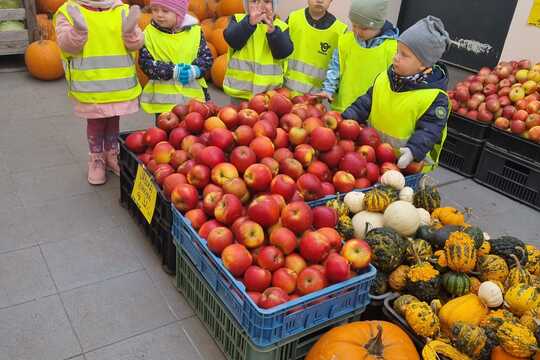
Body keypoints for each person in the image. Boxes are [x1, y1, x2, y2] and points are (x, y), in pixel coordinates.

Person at [342, 16, 452, 173]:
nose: (396, 57)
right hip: (375, 156)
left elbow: (430, 130)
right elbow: (366, 102)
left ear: (423, 64)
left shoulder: (434, 97)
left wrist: (413, 151)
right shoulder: (385, 78)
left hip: (407, 167)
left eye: (404, 55)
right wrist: (348, 116)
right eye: (397, 51)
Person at [55, 0, 143, 185]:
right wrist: (78, 31)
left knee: (113, 119)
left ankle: (111, 154)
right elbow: (66, 45)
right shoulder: (69, 11)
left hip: (118, 85)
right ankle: (96, 159)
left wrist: (130, 32)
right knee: (96, 122)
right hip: (91, 85)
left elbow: (136, 45)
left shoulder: (122, 11)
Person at [317, 0, 398, 112]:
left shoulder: (394, 49)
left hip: (371, 115)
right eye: (354, 25)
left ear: (379, 25)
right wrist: (327, 90)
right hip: (342, 110)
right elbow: (335, 68)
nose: (357, 32)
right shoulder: (346, 41)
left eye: (364, 28)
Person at [139, 0, 213, 118]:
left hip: (194, 100)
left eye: (165, 10)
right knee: (166, 134)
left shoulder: (195, 32)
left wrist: (196, 70)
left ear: (179, 13)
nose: (159, 14)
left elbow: (207, 57)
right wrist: (171, 70)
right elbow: (145, 63)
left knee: (194, 132)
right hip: (164, 103)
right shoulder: (148, 34)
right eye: (155, 10)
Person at [223, 0, 293, 101]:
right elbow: (232, 40)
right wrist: (249, 23)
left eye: (267, 1)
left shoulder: (281, 27)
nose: (261, 5)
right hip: (240, 92)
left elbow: (284, 52)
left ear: (274, 5)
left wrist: (273, 32)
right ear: (246, 5)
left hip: (268, 94)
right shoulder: (238, 20)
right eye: (254, 1)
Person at [283, 0, 347, 97]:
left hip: (316, 98)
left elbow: (337, 68)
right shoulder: (293, 18)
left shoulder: (339, 31)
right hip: (284, 93)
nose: (320, 0)